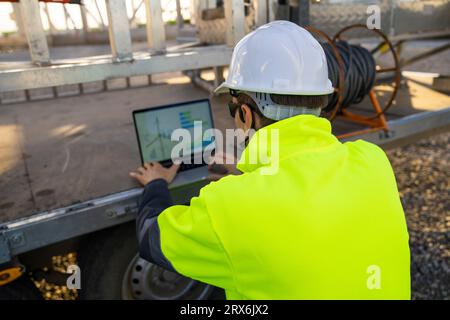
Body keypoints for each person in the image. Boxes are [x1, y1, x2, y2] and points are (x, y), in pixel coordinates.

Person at [129, 21, 410, 299]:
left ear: (245, 115)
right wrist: (251, 182)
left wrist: (155, 184)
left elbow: (151, 238)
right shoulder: (373, 161)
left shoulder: (228, 207)